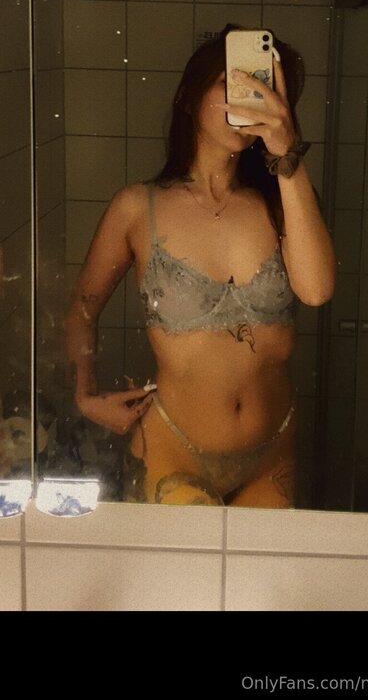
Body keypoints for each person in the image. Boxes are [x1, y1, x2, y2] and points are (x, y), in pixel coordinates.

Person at [65, 26, 336, 508]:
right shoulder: (137, 207)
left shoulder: (284, 201)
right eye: (230, 84)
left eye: (261, 88)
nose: (246, 100)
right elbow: (84, 306)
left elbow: (316, 290)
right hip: (173, 447)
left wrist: (286, 155)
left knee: (259, 562)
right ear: (188, 96)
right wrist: (84, 393)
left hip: (273, 450)